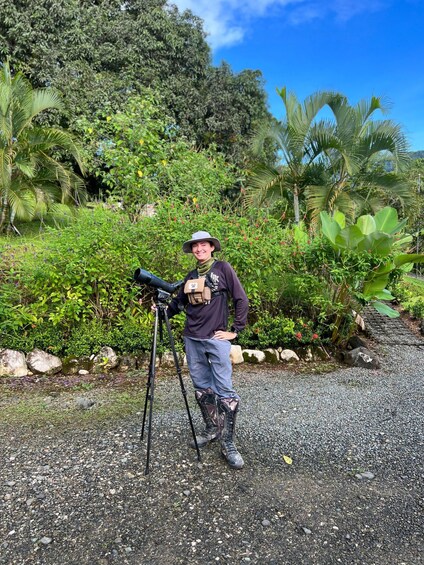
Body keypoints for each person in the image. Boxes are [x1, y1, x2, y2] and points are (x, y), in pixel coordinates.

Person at [165, 230, 249, 469]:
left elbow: (241, 299)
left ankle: (228, 443)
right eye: (195, 246)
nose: (199, 249)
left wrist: (235, 330)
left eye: (204, 245)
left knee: (225, 390)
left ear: (212, 247)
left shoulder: (224, 269)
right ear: (192, 250)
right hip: (192, 338)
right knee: (202, 387)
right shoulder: (190, 275)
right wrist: (162, 311)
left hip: (216, 337)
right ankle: (212, 429)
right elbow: (178, 303)